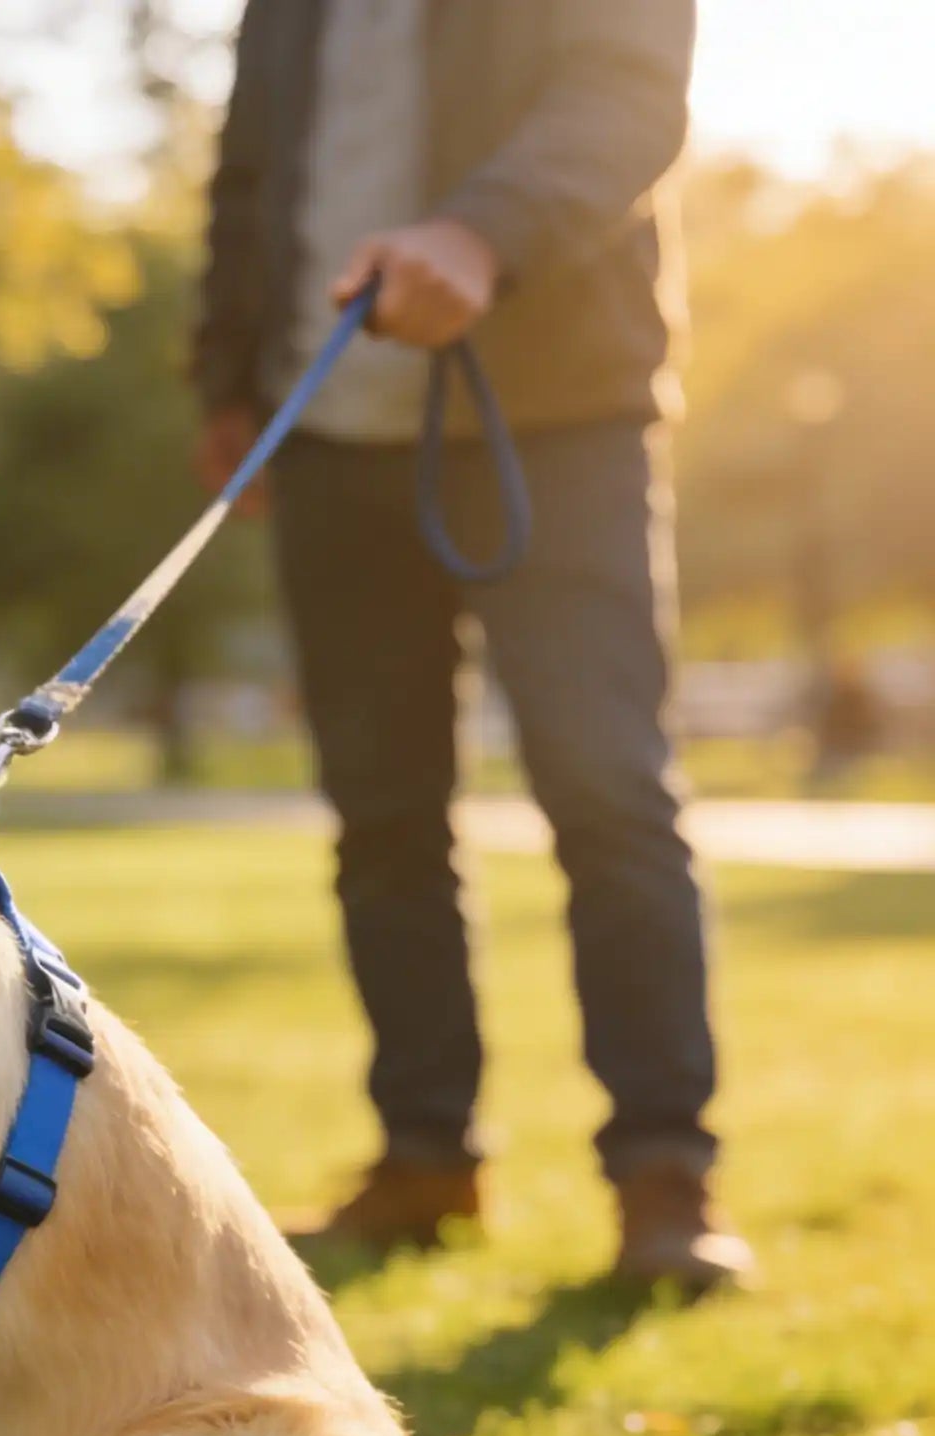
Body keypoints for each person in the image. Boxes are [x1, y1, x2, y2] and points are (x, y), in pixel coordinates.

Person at [195, 0, 753, 1291]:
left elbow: (629, 96)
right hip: (326, 431)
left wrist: (480, 230)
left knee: (607, 787)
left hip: (558, 416)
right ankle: (424, 1158)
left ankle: (665, 1174)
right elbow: (250, 167)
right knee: (381, 817)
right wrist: (225, 373)